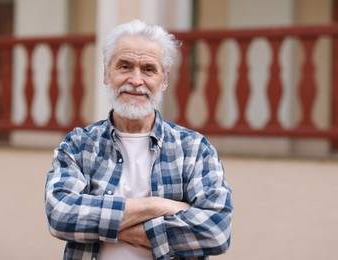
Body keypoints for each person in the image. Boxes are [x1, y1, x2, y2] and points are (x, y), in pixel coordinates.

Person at [45, 19, 233, 260]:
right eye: (124, 66)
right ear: (106, 74)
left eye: (148, 69)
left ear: (164, 80)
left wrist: (99, 224)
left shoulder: (194, 149)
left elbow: (216, 231)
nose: (136, 80)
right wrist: (156, 206)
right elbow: (60, 216)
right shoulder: (78, 146)